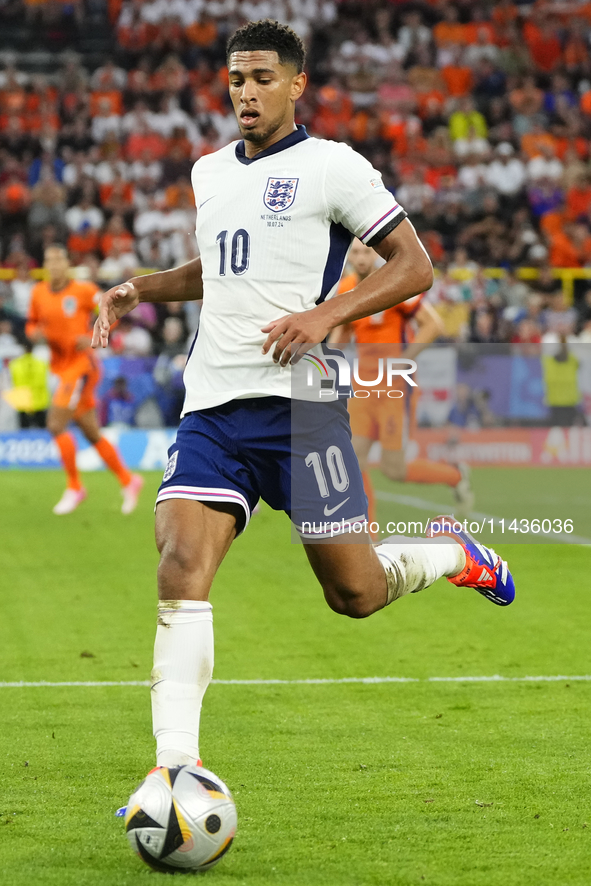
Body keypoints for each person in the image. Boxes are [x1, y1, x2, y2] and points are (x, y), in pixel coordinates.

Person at [92, 21, 515, 781]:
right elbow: (221, 265)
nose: (245, 93)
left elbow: (413, 266)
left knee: (353, 594)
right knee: (179, 562)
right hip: (213, 408)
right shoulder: (208, 172)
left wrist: (326, 315)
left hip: (301, 412)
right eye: (235, 80)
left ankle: (457, 553)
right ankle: (173, 771)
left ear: (295, 85)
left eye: (260, 78)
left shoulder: (333, 168)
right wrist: (139, 288)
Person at [331, 239, 474, 524]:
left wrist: (403, 359)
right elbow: (339, 339)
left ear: (375, 254)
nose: (360, 258)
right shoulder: (345, 290)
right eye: (355, 252)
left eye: (366, 252)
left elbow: (433, 325)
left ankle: (455, 475)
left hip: (394, 388)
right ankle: (369, 539)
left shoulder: (393, 284)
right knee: (354, 460)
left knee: (393, 469)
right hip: (363, 387)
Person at [26, 244, 144, 514]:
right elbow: (31, 322)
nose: (54, 265)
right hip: (60, 366)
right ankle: (129, 480)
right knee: (91, 433)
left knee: (56, 424)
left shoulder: (84, 290)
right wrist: (34, 333)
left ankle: (75, 487)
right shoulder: (38, 293)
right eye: (49, 260)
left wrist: (94, 332)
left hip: (82, 367)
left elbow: (112, 310)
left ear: (67, 264)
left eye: (58, 260)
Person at [8, 339, 50, 428]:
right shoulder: (41, 363)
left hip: (23, 399)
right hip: (39, 399)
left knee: (24, 429)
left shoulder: (15, 364)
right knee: (42, 429)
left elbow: (12, 381)